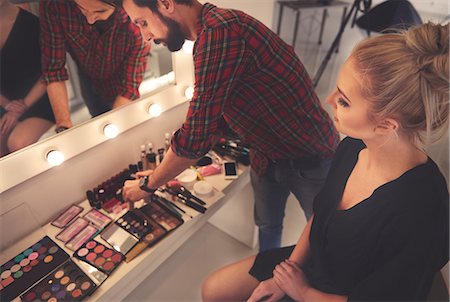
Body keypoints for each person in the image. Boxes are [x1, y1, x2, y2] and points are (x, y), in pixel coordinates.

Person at [201, 22, 449, 302]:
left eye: (343, 101)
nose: (328, 100)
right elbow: (320, 216)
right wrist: (287, 273)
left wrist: (303, 292)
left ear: (385, 125)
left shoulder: (424, 210)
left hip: (343, 292)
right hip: (313, 262)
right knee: (213, 289)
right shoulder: (352, 147)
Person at [120, 0, 339, 252]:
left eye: (143, 23)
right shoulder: (211, 34)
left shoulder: (220, 33)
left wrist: (149, 185)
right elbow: (213, 118)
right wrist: (162, 172)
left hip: (310, 157)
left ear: (166, 3)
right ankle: (264, 275)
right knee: (267, 225)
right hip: (265, 155)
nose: (145, 36)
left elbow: (195, 137)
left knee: (326, 238)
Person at [39, 0, 149, 132]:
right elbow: (53, 68)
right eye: (82, 9)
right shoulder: (55, 4)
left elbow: (129, 88)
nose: (90, 20)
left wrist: (114, 126)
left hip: (122, 79)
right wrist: (64, 126)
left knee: (125, 129)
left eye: (100, 11)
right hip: (88, 78)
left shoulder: (136, 22)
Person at [0, 0, 55, 156]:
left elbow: (50, 71)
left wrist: (21, 107)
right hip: (4, 103)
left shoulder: (33, 24)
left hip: (36, 100)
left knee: (18, 142)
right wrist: (7, 105)